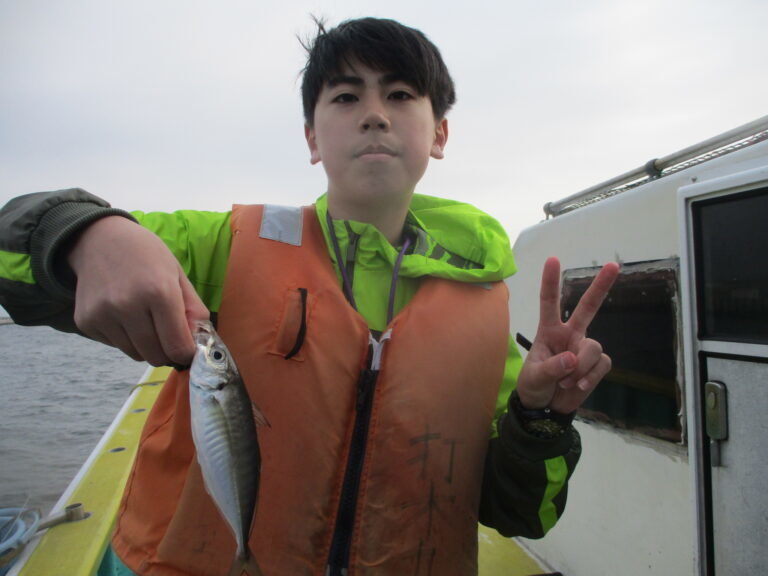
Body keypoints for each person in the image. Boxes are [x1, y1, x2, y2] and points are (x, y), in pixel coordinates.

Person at [0, 17, 618, 576]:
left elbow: (520, 514)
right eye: (346, 97)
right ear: (312, 139)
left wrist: (539, 419)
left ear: (440, 132)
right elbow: (11, 254)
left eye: (400, 95)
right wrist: (81, 234)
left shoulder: (480, 305)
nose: (374, 114)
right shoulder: (223, 247)